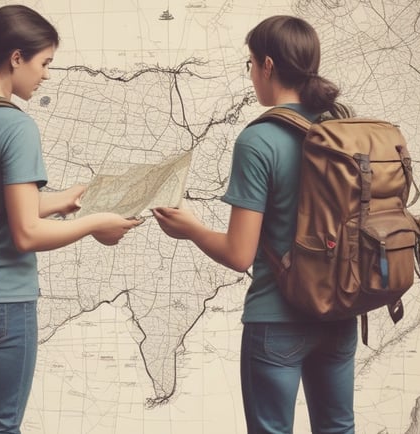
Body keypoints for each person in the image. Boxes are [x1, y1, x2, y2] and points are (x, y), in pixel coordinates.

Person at [0, 5, 143, 433]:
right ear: (16, 57)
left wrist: (64, 200)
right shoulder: (12, 126)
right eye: (44, 63)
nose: (46, 76)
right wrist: (96, 224)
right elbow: (26, 233)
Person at [152, 15, 356, 434]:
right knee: (338, 427)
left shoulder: (259, 140)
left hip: (277, 319)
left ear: (267, 65)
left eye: (250, 64)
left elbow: (239, 254)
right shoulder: (341, 127)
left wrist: (190, 228)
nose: (250, 74)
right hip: (339, 314)